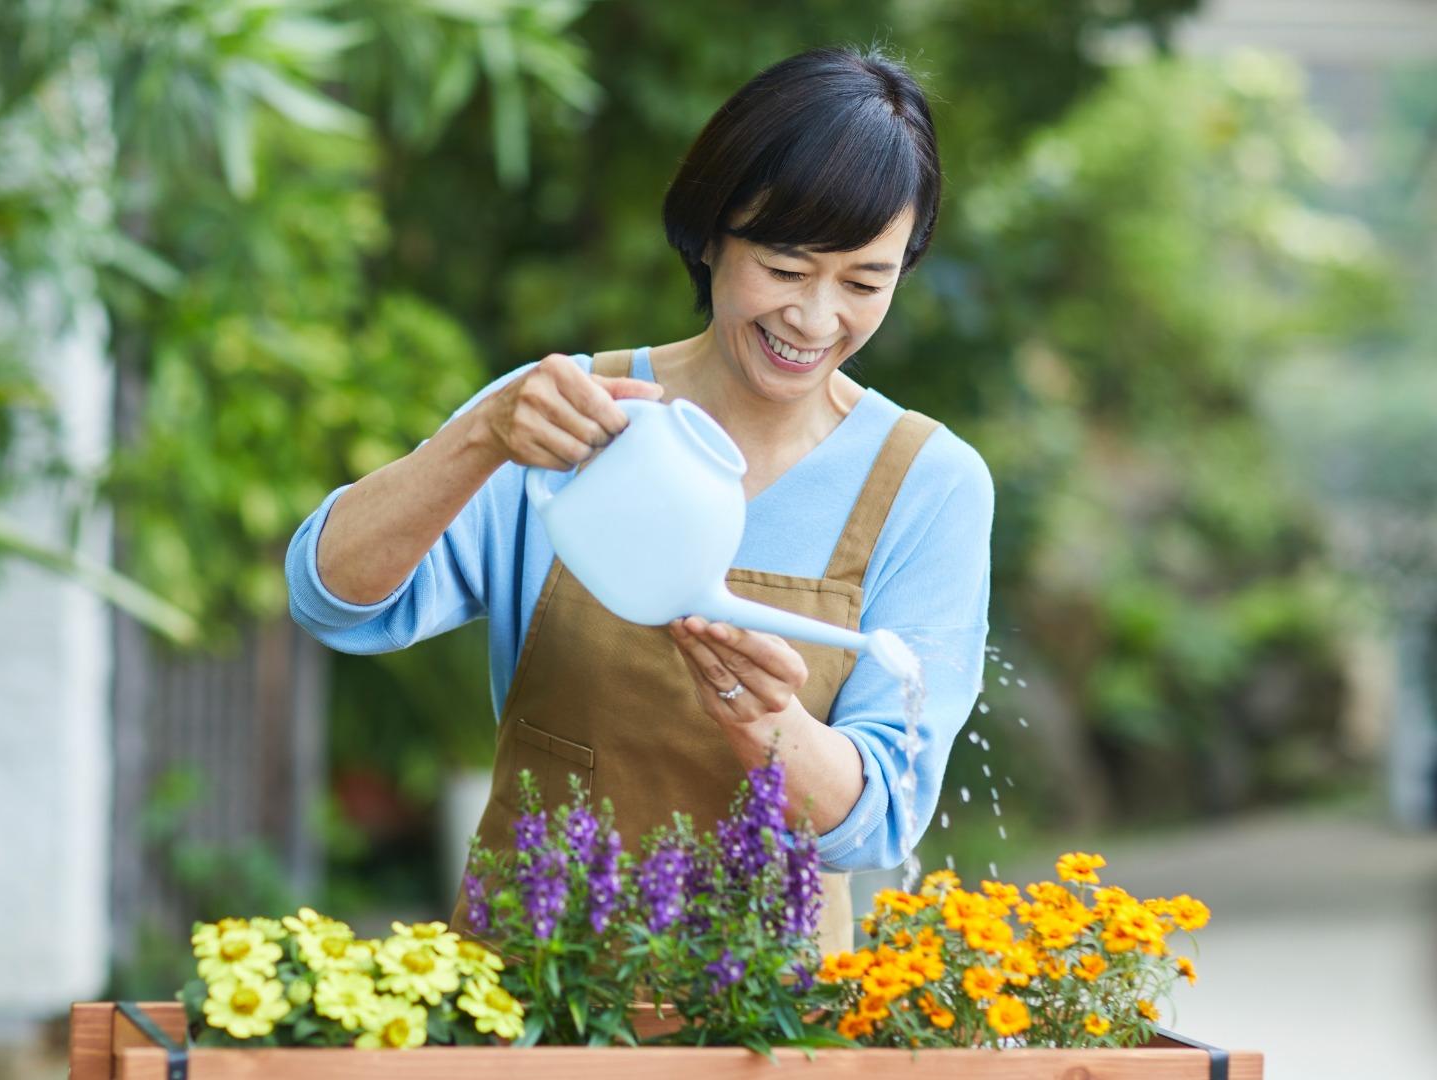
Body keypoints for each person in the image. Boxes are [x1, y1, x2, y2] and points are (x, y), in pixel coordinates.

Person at [284, 46, 992, 953]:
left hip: (770, 1029)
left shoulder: (929, 485)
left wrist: (765, 721)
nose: (816, 321)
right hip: (527, 1002)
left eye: (864, 282)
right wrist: (478, 439)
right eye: (784, 268)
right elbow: (332, 600)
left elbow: (882, 820)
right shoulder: (565, 414)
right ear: (709, 234)